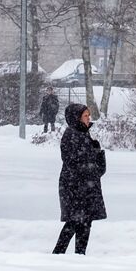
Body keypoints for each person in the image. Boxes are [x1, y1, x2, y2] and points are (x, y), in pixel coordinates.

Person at [53, 102, 105, 255]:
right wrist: (91, 160)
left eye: (89, 115)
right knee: (74, 222)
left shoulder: (83, 133)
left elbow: (93, 166)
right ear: (76, 117)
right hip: (74, 187)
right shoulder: (71, 135)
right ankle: (58, 254)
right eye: (85, 116)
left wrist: (97, 153)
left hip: (86, 186)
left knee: (85, 222)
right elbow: (71, 161)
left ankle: (79, 255)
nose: (88, 118)